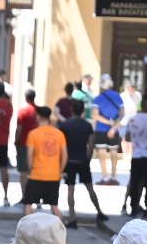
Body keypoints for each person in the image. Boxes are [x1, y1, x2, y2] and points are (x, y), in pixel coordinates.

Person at [57, 100, 105, 229]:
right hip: (82, 160)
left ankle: (72, 218)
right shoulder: (87, 126)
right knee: (90, 188)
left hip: (69, 161)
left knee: (70, 189)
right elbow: (91, 144)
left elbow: (61, 145)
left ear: (72, 109)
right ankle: (100, 212)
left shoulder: (65, 125)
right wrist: (87, 159)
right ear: (83, 110)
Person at [23, 104, 67, 219]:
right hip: (53, 175)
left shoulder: (33, 134)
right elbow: (65, 155)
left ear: (38, 117)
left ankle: (29, 231)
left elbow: (29, 155)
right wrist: (60, 171)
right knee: (54, 206)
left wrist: (30, 169)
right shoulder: (59, 134)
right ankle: (59, 232)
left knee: (28, 204)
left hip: (36, 174)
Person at [124, 92, 147, 218]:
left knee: (135, 181)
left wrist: (137, 139)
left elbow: (127, 137)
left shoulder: (132, 119)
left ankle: (133, 207)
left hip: (136, 156)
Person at [91, 77, 125, 185]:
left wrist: (108, 123)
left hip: (101, 129)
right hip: (115, 129)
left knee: (101, 153)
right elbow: (122, 113)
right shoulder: (118, 96)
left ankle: (105, 177)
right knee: (114, 152)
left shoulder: (98, 98)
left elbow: (96, 116)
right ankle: (114, 176)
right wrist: (114, 126)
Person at [14, 89, 40, 200]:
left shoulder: (23, 111)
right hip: (38, 145)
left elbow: (19, 128)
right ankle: (37, 197)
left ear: (26, 98)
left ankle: (25, 196)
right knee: (35, 171)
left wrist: (16, 140)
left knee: (24, 172)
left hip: (24, 144)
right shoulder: (39, 111)